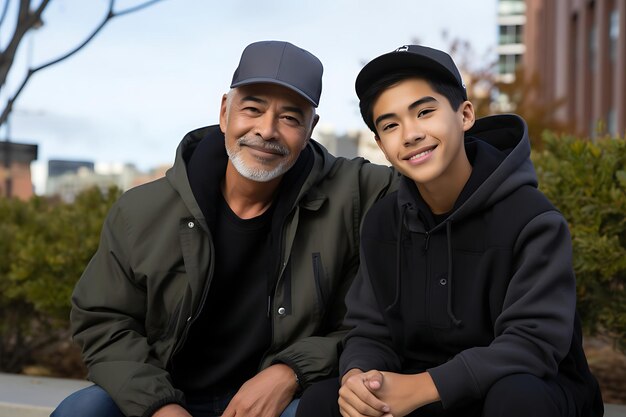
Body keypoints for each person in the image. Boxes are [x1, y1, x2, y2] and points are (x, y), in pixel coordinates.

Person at [51, 40, 397, 417]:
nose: (267, 130)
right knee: (82, 410)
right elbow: (103, 322)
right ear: (224, 112)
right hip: (166, 393)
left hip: (279, 404)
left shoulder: (355, 194)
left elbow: (431, 169)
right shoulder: (141, 211)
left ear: (310, 128)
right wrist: (159, 406)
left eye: (290, 118)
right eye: (252, 108)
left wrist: (291, 371)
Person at [295, 45, 604, 417]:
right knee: (325, 402)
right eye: (390, 125)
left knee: (517, 397)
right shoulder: (382, 221)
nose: (410, 134)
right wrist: (361, 378)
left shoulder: (532, 219)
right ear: (381, 144)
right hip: (418, 389)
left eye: (425, 112)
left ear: (465, 115)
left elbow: (532, 344)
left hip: (525, 386)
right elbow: (369, 330)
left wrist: (425, 386)